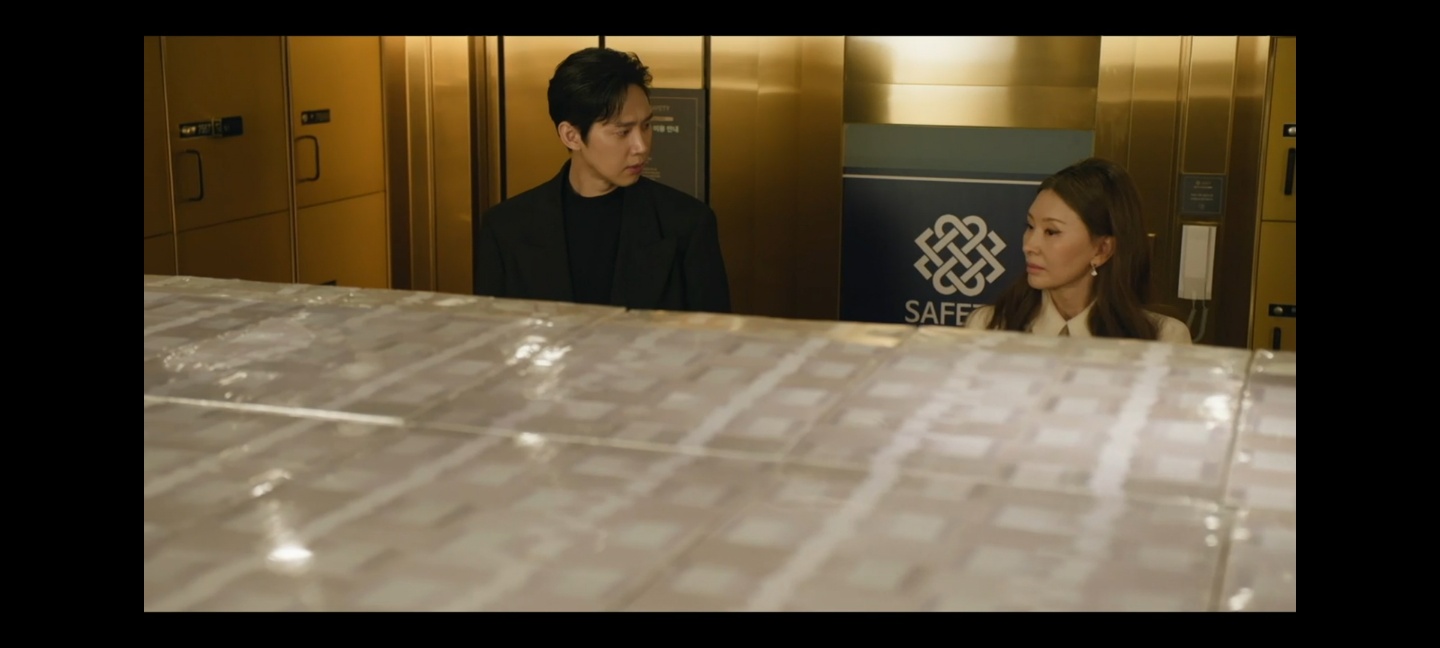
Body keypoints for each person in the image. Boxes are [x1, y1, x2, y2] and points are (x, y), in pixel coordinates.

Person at [472, 47, 732, 313]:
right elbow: (491, 332)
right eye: (622, 132)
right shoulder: (506, 228)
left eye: (646, 126)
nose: (642, 146)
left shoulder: (688, 224)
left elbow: (714, 333)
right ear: (571, 136)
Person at [964, 157, 1192, 344]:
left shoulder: (1162, 337)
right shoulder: (989, 325)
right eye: (1030, 226)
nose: (1029, 245)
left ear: (1102, 249)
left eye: (1051, 232)